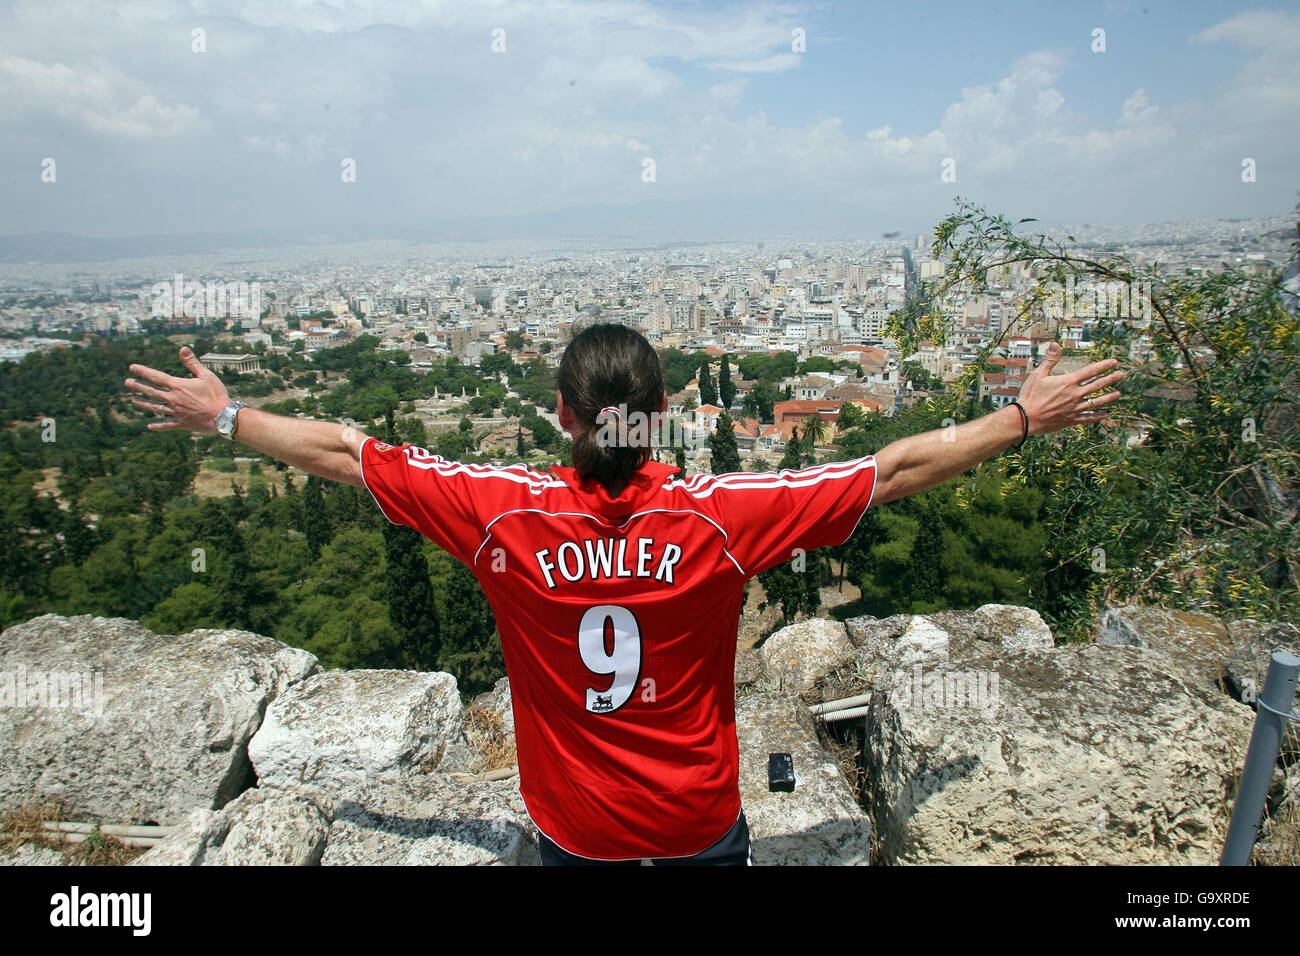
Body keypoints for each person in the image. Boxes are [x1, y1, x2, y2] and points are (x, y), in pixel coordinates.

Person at [124, 324, 1123, 865]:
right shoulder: (719, 519)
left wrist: (229, 416)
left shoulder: (500, 513)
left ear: (561, 413)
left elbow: (345, 453)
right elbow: (893, 469)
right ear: (663, 413)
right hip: (697, 823)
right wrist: (1021, 417)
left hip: (576, 828)